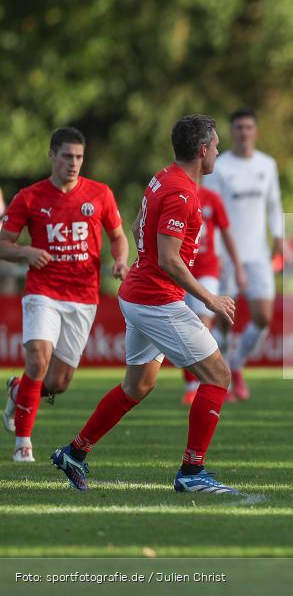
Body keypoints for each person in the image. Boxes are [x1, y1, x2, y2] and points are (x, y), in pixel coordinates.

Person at [51, 114, 240, 494]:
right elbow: (169, 259)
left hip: (140, 294)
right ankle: (192, 471)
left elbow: (140, 223)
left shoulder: (164, 178)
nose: (219, 150)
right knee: (219, 377)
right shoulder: (181, 192)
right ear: (202, 150)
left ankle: (74, 452)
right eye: (216, 145)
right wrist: (211, 299)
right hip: (156, 300)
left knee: (137, 386)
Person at [0, 128, 128, 462]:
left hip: (83, 296)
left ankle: (17, 390)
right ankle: (23, 444)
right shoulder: (29, 197)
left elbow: (117, 236)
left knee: (57, 382)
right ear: (52, 156)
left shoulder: (99, 194)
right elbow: (3, 243)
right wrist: (27, 253)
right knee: (38, 359)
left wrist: (120, 260)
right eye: (68, 156)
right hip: (43, 291)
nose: (74, 163)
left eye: (79, 157)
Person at [203, 108, 284, 401]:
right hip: (226, 254)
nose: (244, 132)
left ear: (256, 131)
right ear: (232, 131)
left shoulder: (267, 165)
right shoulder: (221, 167)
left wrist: (278, 237)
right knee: (223, 319)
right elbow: (209, 210)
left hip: (258, 254)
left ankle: (236, 365)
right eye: (239, 127)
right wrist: (216, 252)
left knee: (263, 316)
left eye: (249, 127)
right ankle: (221, 376)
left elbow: (274, 205)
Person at [181, 185, 246, 405]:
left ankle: (210, 381)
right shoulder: (174, 194)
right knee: (186, 328)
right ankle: (193, 385)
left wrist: (237, 267)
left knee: (202, 324)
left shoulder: (212, 198)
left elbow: (227, 233)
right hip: (180, 270)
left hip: (207, 269)